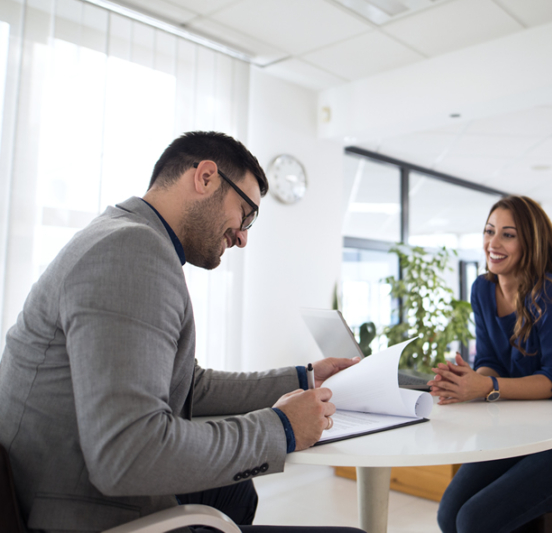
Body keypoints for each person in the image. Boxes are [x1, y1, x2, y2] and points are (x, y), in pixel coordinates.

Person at [0, 131, 362, 533]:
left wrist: (306, 378)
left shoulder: (124, 233)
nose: (243, 237)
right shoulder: (131, 252)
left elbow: (189, 385)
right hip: (78, 509)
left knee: (235, 494)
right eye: (246, 214)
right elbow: (129, 453)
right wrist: (282, 428)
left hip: (57, 481)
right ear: (206, 177)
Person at [427, 195, 552, 533]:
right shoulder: (482, 289)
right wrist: (469, 381)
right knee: (448, 513)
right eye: (489, 231)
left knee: (474, 521)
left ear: (530, 242)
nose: (492, 243)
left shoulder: (550, 292)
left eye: (507, 235)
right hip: (521, 432)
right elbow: (489, 360)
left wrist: (486, 387)